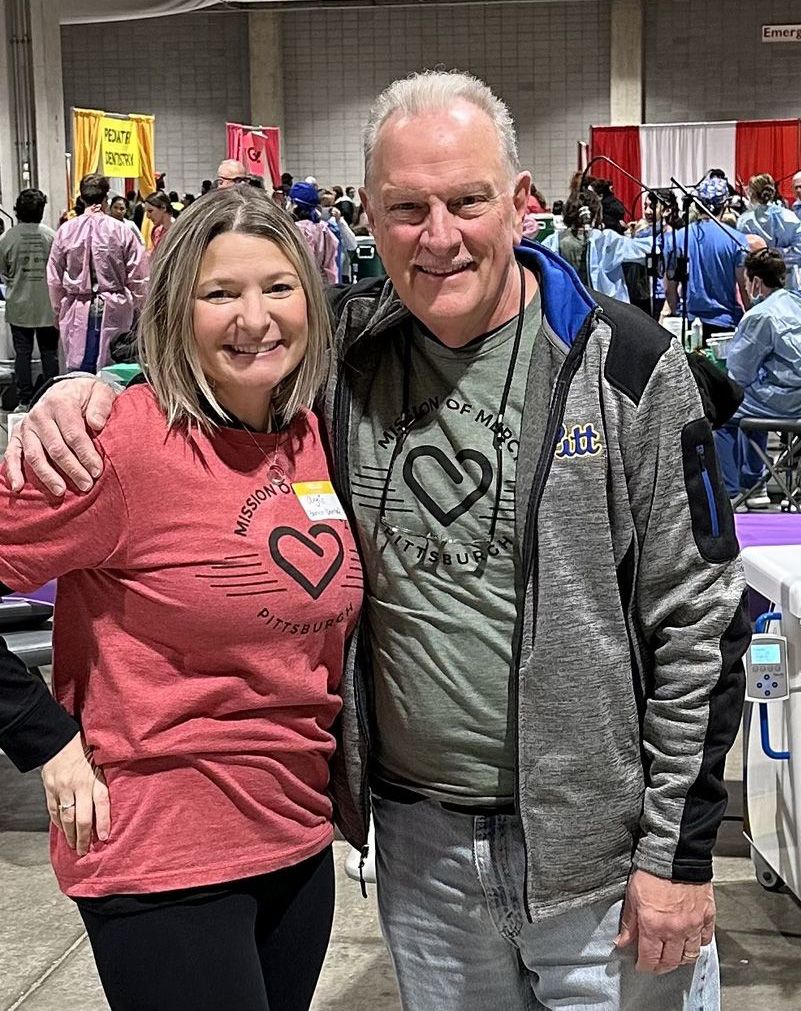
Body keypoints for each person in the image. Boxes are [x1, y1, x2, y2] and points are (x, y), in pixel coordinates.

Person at [12, 70, 748, 1010]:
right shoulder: (343, 360)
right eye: (407, 208)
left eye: (467, 201)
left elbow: (702, 621)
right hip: (420, 853)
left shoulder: (630, 368)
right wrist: (87, 392)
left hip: (600, 864)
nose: (439, 237)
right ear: (369, 214)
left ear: (521, 205)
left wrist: (679, 858)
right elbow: (217, 378)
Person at [0, 186, 358, 1010]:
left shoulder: (310, 433)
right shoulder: (119, 442)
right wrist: (44, 738)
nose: (254, 317)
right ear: (174, 309)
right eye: (219, 293)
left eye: (277, 287)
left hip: (295, 840)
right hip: (162, 850)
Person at [714, 248, 801, 500]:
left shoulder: (760, 315)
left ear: (756, 282)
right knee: (750, 400)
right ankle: (754, 484)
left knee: (720, 410)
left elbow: (739, 373)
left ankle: (731, 493)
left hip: (787, 403)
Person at [47, 173, 147, 374]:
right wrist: (141, 309)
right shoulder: (121, 230)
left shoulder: (66, 231)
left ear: (82, 198)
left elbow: (54, 277)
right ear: (106, 198)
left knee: (79, 371)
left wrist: (58, 310)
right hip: (115, 307)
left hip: (76, 307)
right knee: (113, 370)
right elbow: (139, 275)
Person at [664, 174, 751, 336]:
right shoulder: (736, 240)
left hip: (688, 322)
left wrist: (674, 315)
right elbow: (744, 287)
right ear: (725, 204)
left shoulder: (677, 239)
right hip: (726, 323)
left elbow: (670, 288)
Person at [0, 188, 58, 407]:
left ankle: (24, 399)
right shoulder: (51, 235)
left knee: (21, 354)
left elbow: (3, 271)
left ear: (17, 210)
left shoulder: (6, 238)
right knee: (49, 354)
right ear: (42, 210)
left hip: (19, 305)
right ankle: (50, 397)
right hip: (48, 305)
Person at [541, 189, 651, 302]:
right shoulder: (606, 240)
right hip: (606, 310)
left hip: (566, 306)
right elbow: (646, 248)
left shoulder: (553, 241)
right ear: (597, 213)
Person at [735, 174, 801, 270]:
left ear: (752, 193)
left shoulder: (745, 221)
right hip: (786, 278)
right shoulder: (789, 217)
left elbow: (742, 255)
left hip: (758, 277)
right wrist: (778, 256)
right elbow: (800, 251)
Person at [288, 180, 339, 284]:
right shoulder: (324, 229)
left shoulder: (292, 230)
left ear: (294, 204)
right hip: (322, 287)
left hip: (298, 286)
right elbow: (330, 267)